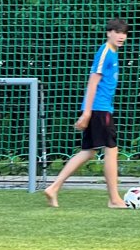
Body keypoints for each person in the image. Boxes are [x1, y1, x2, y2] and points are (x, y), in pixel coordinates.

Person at [44, 18, 129, 209]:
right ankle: (114, 199)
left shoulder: (113, 53)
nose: (121, 36)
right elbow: (93, 82)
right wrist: (87, 113)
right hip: (99, 109)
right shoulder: (105, 52)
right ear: (109, 33)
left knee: (88, 152)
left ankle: (54, 188)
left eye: (124, 33)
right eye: (117, 32)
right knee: (111, 150)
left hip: (100, 109)